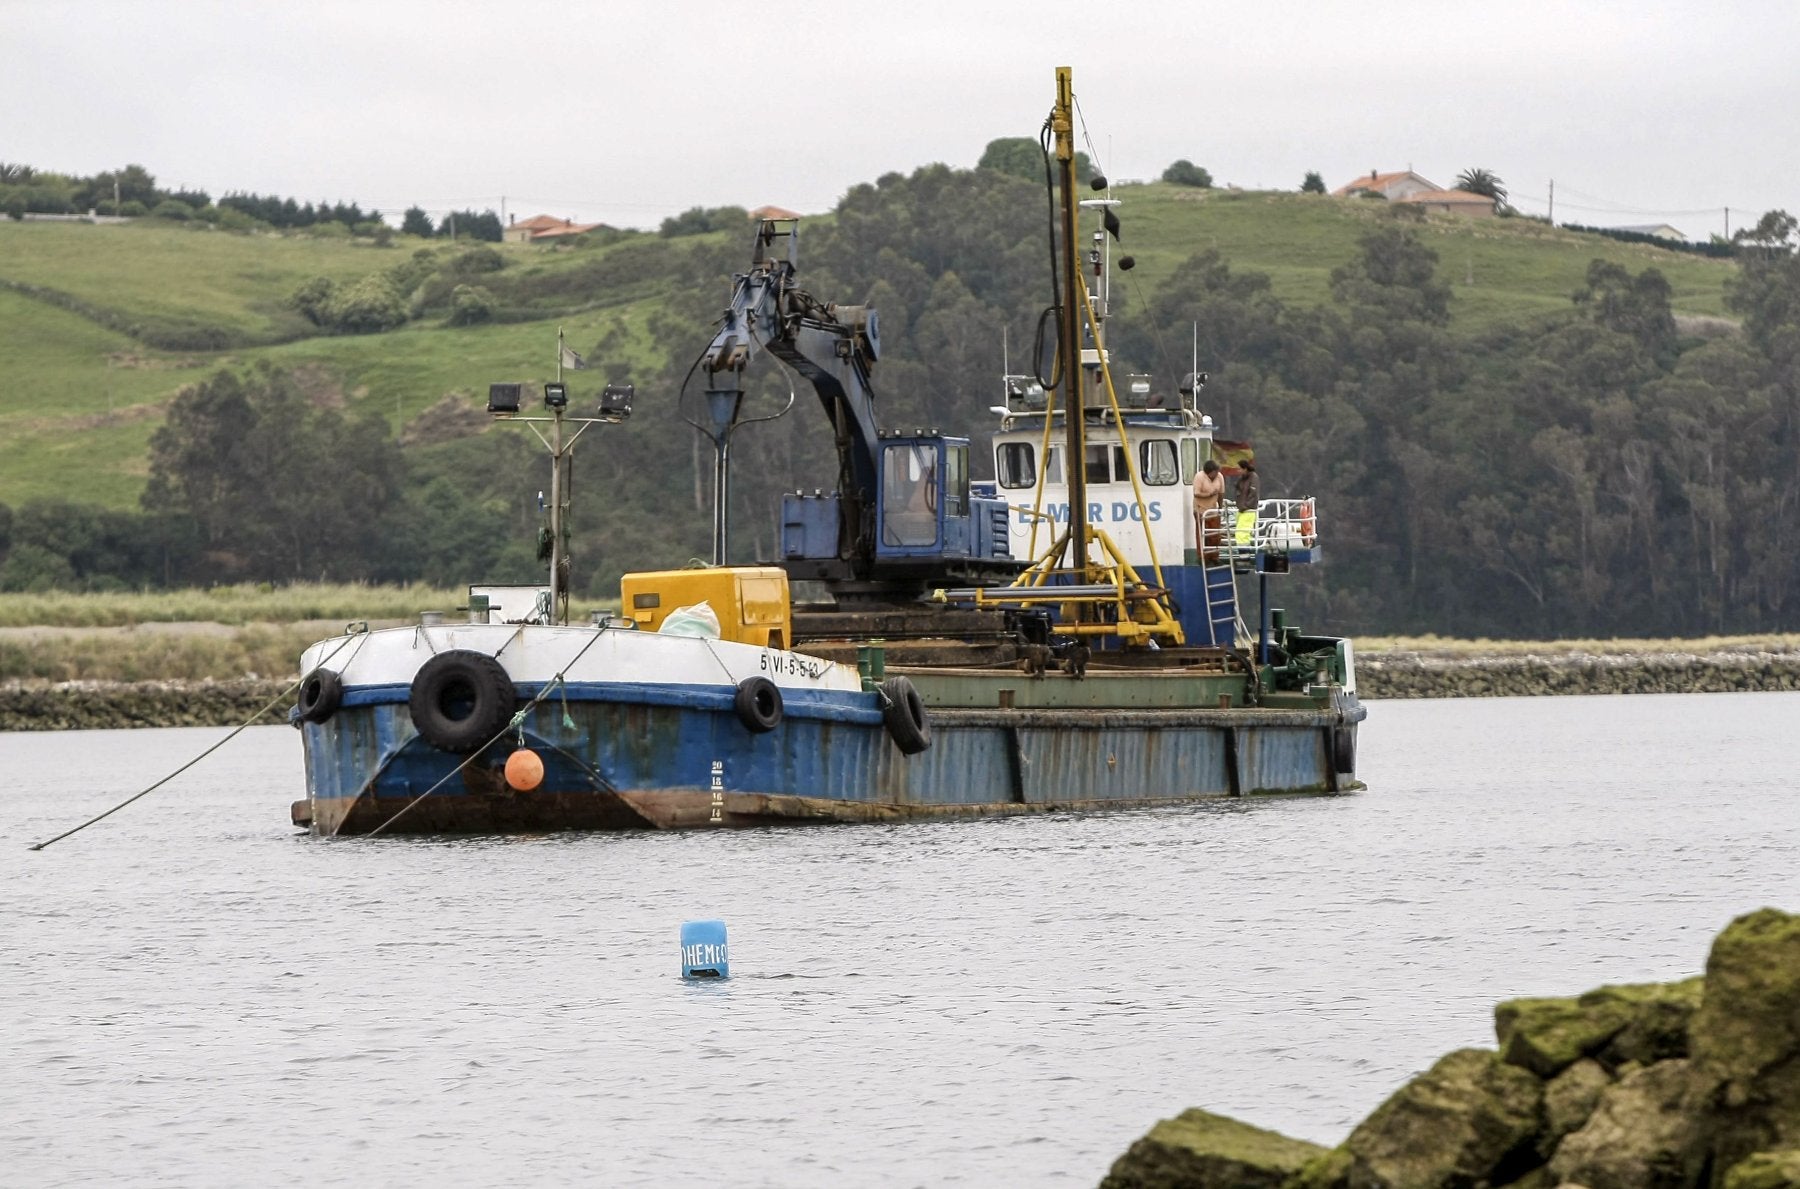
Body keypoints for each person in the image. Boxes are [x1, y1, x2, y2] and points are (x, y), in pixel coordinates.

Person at [1193, 459, 1224, 557]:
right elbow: (1196, 494)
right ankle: (1202, 557)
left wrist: (1220, 507)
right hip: (1200, 509)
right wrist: (1209, 494)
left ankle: (1214, 557)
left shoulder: (1220, 477)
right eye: (1214, 472)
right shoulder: (1199, 477)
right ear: (1208, 472)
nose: (1216, 474)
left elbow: (1221, 493)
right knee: (1201, 535)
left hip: (1213, 510)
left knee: (1215, 535)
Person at [1233, 459, 1259, 547]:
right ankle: (1243, 555)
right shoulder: (1242, 479)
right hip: (1241, 509)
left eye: (1239, 469)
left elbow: (1253, 494)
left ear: (1245, 469)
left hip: (1248, 510)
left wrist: (1246, 505)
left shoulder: (1253, 477)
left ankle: (1244, 557)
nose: (1237, 471)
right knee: (1241, 533)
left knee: (1242, 534)